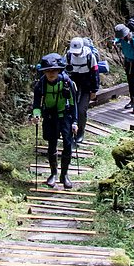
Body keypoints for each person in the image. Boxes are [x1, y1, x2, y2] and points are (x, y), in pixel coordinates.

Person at [30, 53, 78, 189]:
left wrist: (75, 122)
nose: (51, 73)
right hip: (50, 117)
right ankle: (53, 174)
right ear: (44, 71)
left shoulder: (67, 82)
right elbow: (36, 105)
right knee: (52, 144)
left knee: (68, 145)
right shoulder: (41, 84)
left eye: (54, 70)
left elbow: (74, 103)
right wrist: (37, 115)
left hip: (65, 116)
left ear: (59, 70)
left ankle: (65, 175)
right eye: (47, 71)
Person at [66, 37, 100, 144]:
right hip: (73, 84)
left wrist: (94, 90)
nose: (75, 54)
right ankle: (70, 131)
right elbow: (64, 72)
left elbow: (95, 74)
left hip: (86, 85)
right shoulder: (68, 56)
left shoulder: (90, 56)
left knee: (81, 110)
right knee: (71, 108)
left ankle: (80, 132)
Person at [114, 23, 134, 114]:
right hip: (128, 62)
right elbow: (118, 39)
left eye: (122, 36)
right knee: (130, 82)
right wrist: (115, 41)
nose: (121, 38)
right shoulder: (123, 38)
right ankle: (132, 101)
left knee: (132, 83)